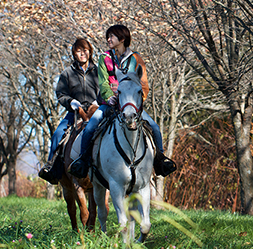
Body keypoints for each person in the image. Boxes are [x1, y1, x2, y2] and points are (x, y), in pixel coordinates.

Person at [68, 24, 176, 178]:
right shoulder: (104, 58)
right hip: (108, 105)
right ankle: (83, 162)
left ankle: (160, 160)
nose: (108, 39)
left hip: (131, 107)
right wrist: (109, 97)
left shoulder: (136, 59)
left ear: (122, 39)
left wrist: (136, 102)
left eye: (112, 36)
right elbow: (103, 83)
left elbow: (143, 85)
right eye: (108, 36)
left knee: (155, 127)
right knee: (90, 127)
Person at [38, 38, 99, 184]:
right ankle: (51, 167)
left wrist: (99, 101)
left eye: (85, 50)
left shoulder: (98, 71)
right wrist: (71, 102)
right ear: (74, 54)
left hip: (96, 110)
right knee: (58, 134)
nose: (82, 54)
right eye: (78, 51)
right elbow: (61, 94)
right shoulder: (67, 73)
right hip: (75, 112)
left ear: (90, 52)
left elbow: (106, 89)